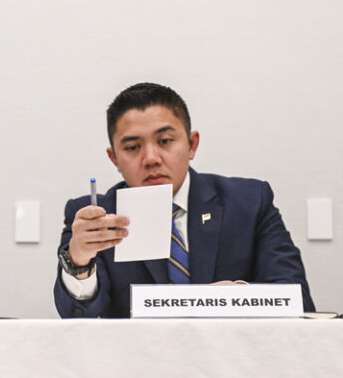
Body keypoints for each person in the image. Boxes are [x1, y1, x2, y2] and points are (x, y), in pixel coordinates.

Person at [54, 83, 314, 318]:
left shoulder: (250, 201)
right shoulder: (94, 217)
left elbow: (298, 299)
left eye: (165, 141)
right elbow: (77, 316)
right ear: (115, 159)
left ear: (191, 144)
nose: (151, 158)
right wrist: (79, 261)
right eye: (132, 147)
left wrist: (238, 297)